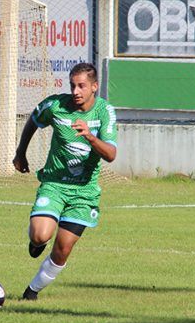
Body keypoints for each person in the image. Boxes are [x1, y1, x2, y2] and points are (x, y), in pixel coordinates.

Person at [13, 62, 117, 300]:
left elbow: (111, 154)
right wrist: (21, 152)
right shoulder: (56, 105)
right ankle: (36, 242)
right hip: (55, 183)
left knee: (63, 250)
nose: (76, 91)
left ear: (94, 86)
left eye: (81, 86)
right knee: (40, 236)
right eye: (72, 85)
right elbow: (34, 120)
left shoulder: (104, 112)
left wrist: (90, 136)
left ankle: (32, 292)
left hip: (84, 192)